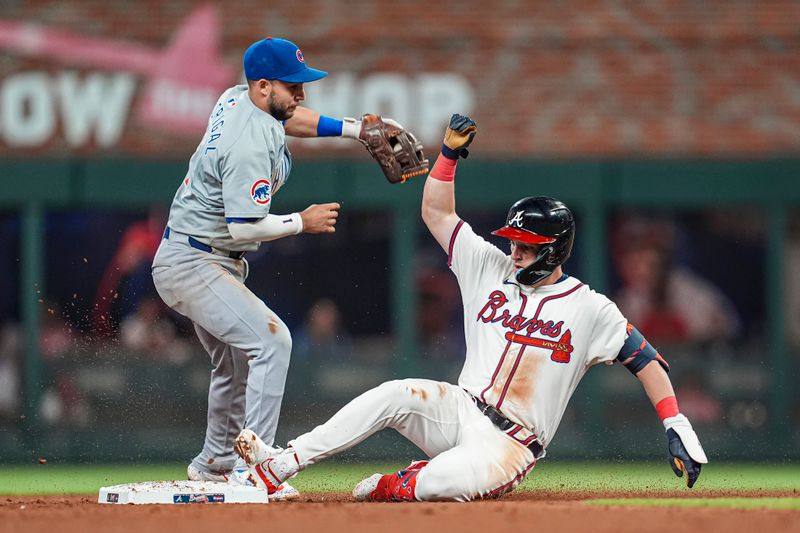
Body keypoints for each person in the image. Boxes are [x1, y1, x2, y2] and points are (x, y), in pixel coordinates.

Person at [230, 115, 709, 502]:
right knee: (393, 393)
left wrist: (675, 422)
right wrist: (448, 157)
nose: (515, 250)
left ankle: (404, 483)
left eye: (526, 244)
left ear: (554, 250)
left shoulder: (589, 307)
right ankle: (280, 465)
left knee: (442, 485)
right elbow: (437, 214)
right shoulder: (489, 265)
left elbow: (646, 361)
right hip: (458, 408)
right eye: (515, 241)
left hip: (510, 444)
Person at [151, 36, 405, 500]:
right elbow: (245, 228)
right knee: (272, 340)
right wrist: (300, 221)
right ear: (264, 85)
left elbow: (294, 118)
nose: (302, 92)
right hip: (195, 259)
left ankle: (214, 465)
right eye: (294, 85)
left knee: (234, 363)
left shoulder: (242, 97)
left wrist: (355, 129)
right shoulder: (246, 142)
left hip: (198, 255)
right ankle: (257, 472)